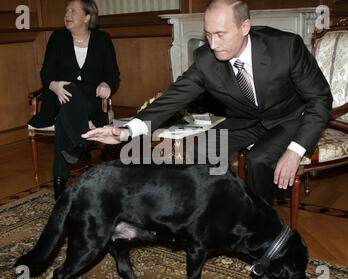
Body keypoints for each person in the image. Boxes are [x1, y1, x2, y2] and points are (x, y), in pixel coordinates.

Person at [82, 0, 332, 206]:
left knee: (258, 160)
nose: (213, 44)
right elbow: (173, 98)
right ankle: (212, 210)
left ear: (245, 27)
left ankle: (262, 227)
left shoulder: (285, 47)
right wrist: (126, 132)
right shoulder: (206, 59)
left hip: (287, 119)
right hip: (245, 121)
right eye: (208, 34)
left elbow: (320, 98)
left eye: (221, 34)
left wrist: (296, 149)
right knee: (202, 149)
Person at [28, 0, 119, 200]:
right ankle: (81, 146)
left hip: (89, 102)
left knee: (63, 120)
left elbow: (113, 73)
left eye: (73, 11)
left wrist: (105, 83)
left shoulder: (102, 39)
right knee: (68, 91)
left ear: (87, 17)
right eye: (66, 11)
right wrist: (54, 86)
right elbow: (46, 72)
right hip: (60, 96)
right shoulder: (57, 38)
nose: (67, 15)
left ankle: (60, 188)